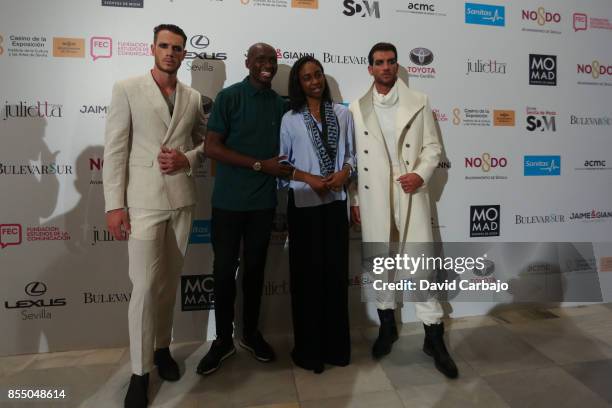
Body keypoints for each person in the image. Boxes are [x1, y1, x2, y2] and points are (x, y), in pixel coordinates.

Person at [103, 24, 209, 407]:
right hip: (143, 202)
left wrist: (189, 157)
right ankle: (139, 371)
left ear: (183, 54)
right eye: (164, 46)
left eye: (177, 48)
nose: (170, 52)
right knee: (144, 288)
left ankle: (162, 348)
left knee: (167, 284)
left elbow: (203, 141)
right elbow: (115, 150)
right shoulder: (127, 89)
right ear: (152, 48)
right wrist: (115, 205)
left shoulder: (193, 96)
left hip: (181, 199)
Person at [349, 42, 458, 379]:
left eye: (391, 62)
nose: (385, 67)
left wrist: (420, 174)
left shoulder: (419, 101)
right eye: (379, 62)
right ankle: (387, 328)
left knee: (419, 268)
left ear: (397, 66)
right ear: (369, 68)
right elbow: (351, 159)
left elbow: (433, 147)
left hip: (408, 191)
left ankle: (433, 339)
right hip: (373, 196)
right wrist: (354, 200)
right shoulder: (355, 108)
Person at [196, 43, 292, 375]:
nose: (267, 65)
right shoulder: (229, 97)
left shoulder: (281, 105)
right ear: (248, 62)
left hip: (263, 205)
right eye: (260, 59)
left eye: (272, 60)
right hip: (227, 203)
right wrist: (258, 165)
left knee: (254, 273)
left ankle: (250, 334)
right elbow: (211, 147)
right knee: (223, 274)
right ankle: (222, 341)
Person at [279, 56, 355, 374]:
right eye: (307, 77)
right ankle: (309, 351)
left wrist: (344, 173)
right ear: (298, 83)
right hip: (305, 206)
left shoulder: (343, 114)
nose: (314, 81)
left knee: (335, 279)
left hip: (336, 203)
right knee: (307, 281)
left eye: (318, 75)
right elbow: (282, 167)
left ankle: (336, 349)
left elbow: (351, 154)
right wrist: (308, 178)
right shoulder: (290, 119)